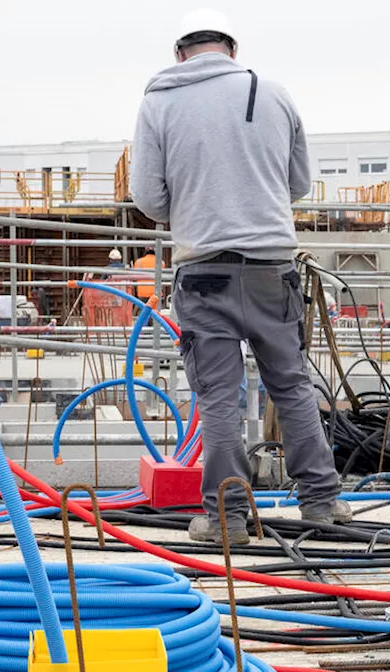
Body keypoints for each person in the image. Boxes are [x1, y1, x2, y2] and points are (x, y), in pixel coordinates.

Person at [130, 8, 349, 545]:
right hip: (273, 269)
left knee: (219, 400)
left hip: (203, 271)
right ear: (232, 47)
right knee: (292, 387)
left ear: (180, 52)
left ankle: (227, 520)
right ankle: (321, 502)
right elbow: (298, 183)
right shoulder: (273, 93)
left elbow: (149, 200)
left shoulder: (158, 101)